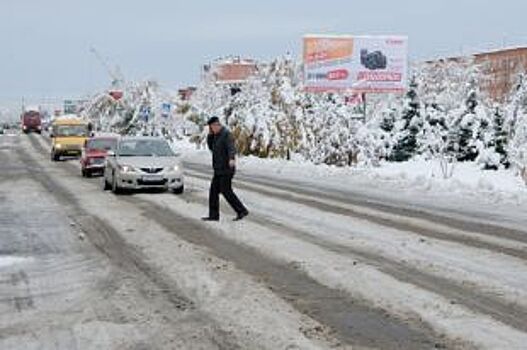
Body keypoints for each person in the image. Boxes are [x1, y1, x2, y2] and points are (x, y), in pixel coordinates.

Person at [202, 117, 249, 222]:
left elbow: (231, 147)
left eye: (212, 127)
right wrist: (210, 136)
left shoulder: (226, 134)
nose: (212, 129)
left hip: (227, 169)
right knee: (213, 192)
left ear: (217, 125)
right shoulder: (215, 136)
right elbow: (211, 148)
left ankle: (241, 210)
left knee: (226, 191)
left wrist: (232, 158)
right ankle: (214, 215)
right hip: (218, 169)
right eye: (210, 128)